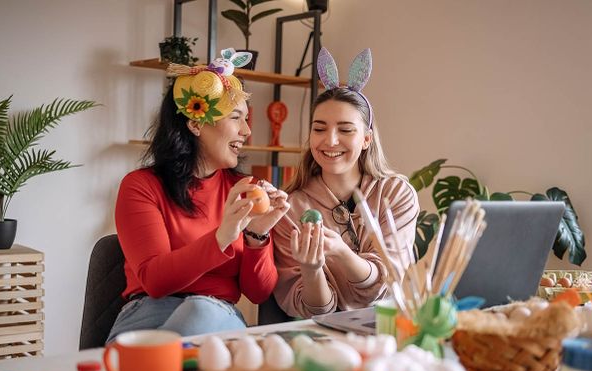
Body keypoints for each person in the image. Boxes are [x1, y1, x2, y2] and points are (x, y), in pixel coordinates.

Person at [108, 48, 290, 342]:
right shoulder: (141, 186)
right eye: (236, 118)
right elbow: (155, 282)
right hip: (146, 317)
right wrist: (223, 235)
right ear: (195, 123)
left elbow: (259, 292)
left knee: (200, 312)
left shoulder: (245, 189)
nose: (246, 131)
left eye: (247, 119)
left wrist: (258, 236)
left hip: (216, 317)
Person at [272, 47, 419, 318]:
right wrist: (312, 269)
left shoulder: (396, 194)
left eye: (345, 129)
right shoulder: (290, 208)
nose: (330, 141)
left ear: (366, 139)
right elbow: (313, 310)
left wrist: (341, 252)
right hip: (325, 336)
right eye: (319, 128)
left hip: (392, 328)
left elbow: (389, 285)